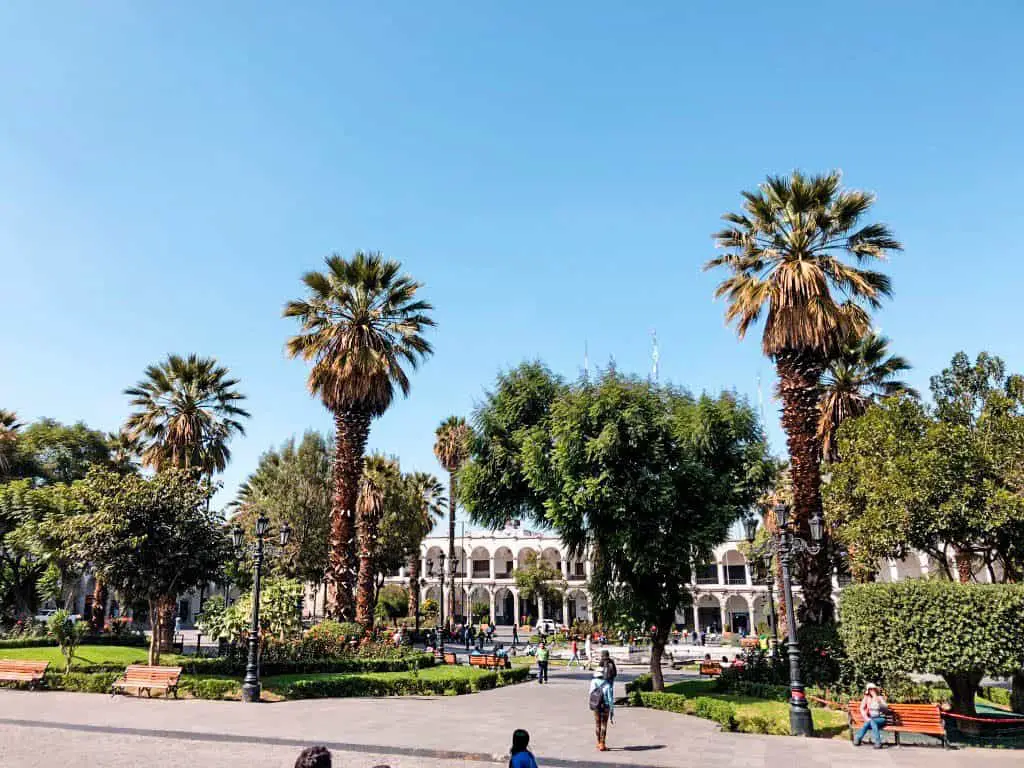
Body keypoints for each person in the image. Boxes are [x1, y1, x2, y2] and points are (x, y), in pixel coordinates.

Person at [854, 683, 889, 748]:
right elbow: (862, 708)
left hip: (881, 718)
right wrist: (866, 717)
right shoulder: (867, 698)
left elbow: (886, 708)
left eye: (873, 689)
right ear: (868, 691)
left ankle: (877, 742)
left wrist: (879, 702)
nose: (872, 691)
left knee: (872, 722)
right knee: (868, 723)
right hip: (871, 719)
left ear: (875, 690)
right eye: (870, 690)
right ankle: (858, 739)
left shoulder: (880, 698)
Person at [588, 668, 614, 751]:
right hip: (605, 706)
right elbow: (610, 699)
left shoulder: (593, 682)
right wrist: (612, 710)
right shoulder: (607, 684)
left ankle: (598, 742)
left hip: (596, 705)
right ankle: (602, 743)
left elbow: (590, 693)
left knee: (597, 724)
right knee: (604, 725)